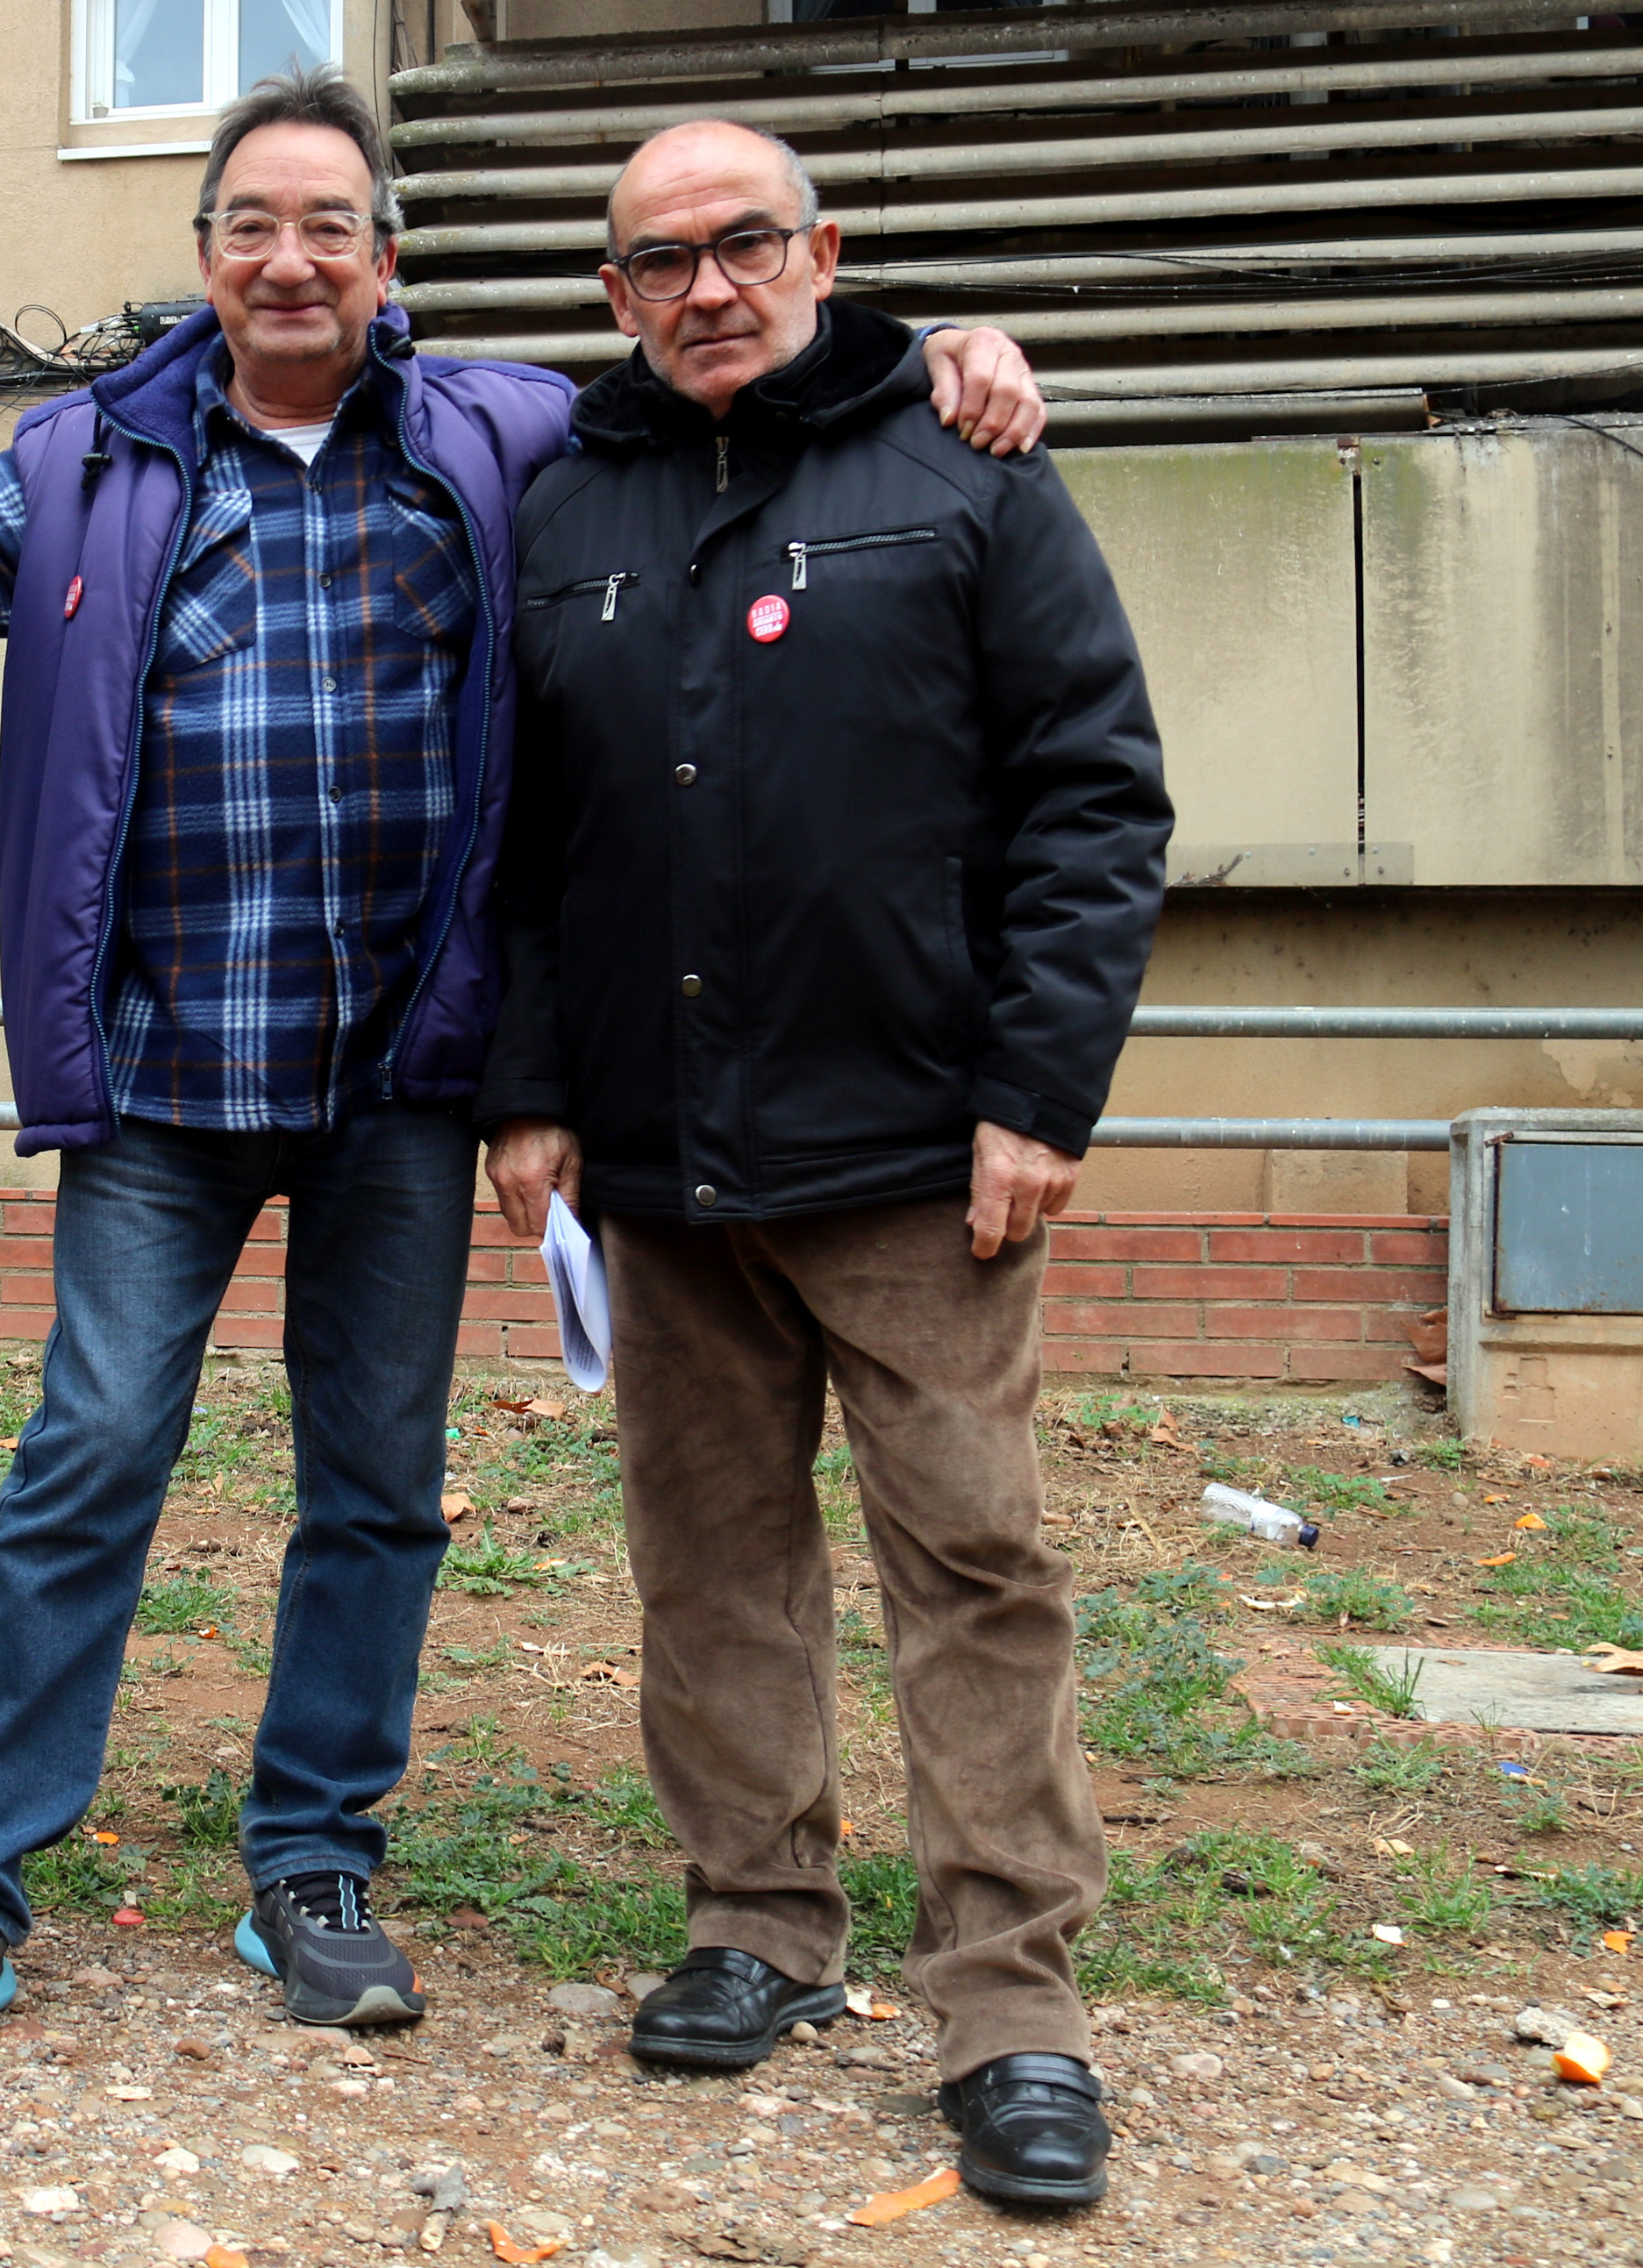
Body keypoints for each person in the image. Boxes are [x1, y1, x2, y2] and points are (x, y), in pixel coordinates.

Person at [0, 70, 1047, 2072]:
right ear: (207, 261)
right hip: (158, 1075)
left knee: (377, 1489)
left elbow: (751, 413)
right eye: (249, 225)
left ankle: (316, 1858)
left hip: (409, 1068)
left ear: (390, 263)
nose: (288, 256)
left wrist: (948, 366)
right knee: (87, 1461)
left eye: (330, 224)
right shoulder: (88, 459)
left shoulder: (516, 439)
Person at [480, 119, 1169, 2210]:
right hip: (661, 1160)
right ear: (612, 293)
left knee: (973, 1565)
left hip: (914, 1156)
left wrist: (1040, 1092)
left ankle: (1013, 2007)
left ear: (826, 249)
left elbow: (1093, 796)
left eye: (746, 244)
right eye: (661, 259)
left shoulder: (969, 464)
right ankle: (757, 1923)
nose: (708, 285)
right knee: (710, 1563)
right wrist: (533, 1089)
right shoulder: (563, 494)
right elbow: (521, 843)